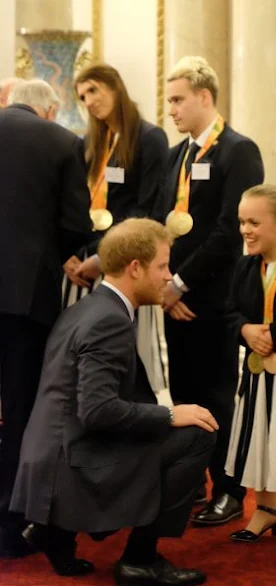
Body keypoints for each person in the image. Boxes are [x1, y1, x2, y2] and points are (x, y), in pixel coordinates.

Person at [10, 218, 217, 586]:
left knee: (173, 421)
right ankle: (140, 561)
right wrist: (170, 415)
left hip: (49, 456)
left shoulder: (90, 306)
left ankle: (55, 533)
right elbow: (97, 411)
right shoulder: (110, 320)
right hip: (71, 462)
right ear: (135, 268)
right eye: (162, 266)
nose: (169, 277)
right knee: (197, 433)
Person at [158, 56, 264, 526]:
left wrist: (179, 283)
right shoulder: (176, 154)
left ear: (205, 96)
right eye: (168, 102)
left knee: (219, 394)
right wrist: (165, 284)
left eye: (179, 100)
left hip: (215, 297)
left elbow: (228, 233)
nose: (172, 110)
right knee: (184, 393)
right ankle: (195, 482)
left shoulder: (237, 150)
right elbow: (166, 221)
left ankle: (228, 488)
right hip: (173, 299)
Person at [0, 79, 91, 558]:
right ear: (50, 110)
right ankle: (10, 527)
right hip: (24, 295)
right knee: (19, 406)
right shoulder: (61, 141)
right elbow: (76, 223)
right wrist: (64, 256)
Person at [64, 63, 169, 392]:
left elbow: (148, 209)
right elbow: (77, 204)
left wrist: (102, 258)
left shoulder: (150, 138)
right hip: (85, 265)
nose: (89, 101)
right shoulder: (90, 143)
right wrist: (71, 255)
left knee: (128, 363)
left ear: (115, 87)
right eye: (82, 96)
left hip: (123, 265)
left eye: (94, 90)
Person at [225, 184, 276, 542]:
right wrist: (245, 329)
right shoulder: (244, 266)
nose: (245, 230)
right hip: (257, 372)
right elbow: (228, 312)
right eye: (242, 222)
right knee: (259, 436)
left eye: (254, 222)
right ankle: (267, 508)